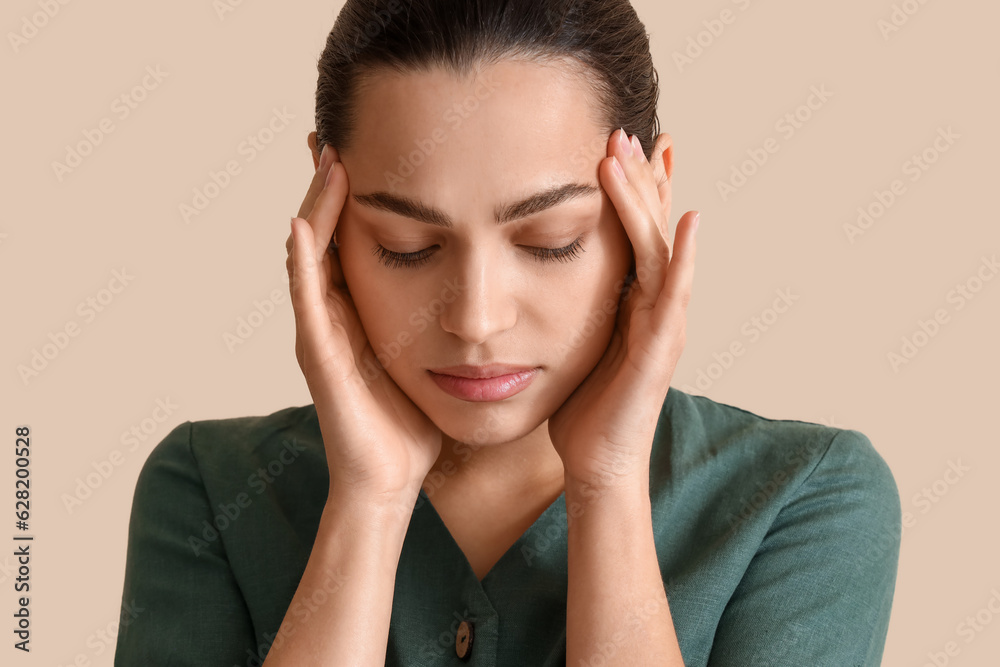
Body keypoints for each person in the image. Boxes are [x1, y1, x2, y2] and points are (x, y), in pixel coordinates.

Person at [113, 1, 902, 665]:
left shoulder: (805, 497)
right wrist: (370, 501)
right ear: (324, 214)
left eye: (550, 241)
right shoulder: (206, 491)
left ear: (648, 204)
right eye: (406, 246)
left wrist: (608, 484)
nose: (475, 318)